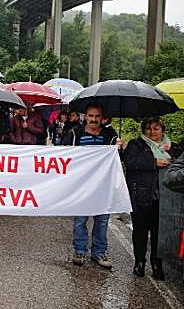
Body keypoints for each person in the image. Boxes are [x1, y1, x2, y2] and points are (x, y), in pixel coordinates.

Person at [62, 104, 121, 270]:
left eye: (97, 116)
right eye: (90, 116)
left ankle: (99, 252)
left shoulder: (111, 135)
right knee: (80, 220)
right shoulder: (75, 133)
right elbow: (63, 154)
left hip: (104, 185)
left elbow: (118, 160)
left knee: (102, 221)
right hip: (82, 185)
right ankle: (80, 251)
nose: (94, 119)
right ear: (85, 116)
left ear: (102, 118)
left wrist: (119, 148)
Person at [123, 117, 170, 280]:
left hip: (163, 198)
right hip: (140, 195)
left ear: (162, 130)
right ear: (143, 130)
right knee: (140, 231)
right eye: (149, 128)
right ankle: (139, 262)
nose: (152, 132)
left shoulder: (170, 147)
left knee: (159, 233)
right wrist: (154, 162)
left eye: (156, 128)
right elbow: (131, 162)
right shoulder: (135, 145)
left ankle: (157, 264)